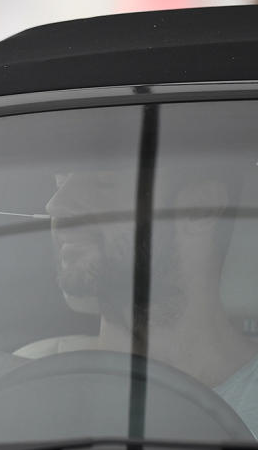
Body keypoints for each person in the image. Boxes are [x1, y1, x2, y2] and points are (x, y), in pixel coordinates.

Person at [16, 162, 258, 432]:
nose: (55, 204)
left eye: (103, 181)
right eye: (60, 181)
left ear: (199, 209)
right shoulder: (23, 381)